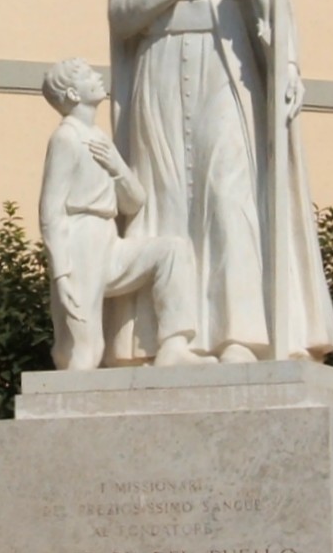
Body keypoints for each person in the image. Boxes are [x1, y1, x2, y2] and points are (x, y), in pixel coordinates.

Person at [105, 0, 333, 364]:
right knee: (164, 205)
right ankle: (171, 338)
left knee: (228, 193)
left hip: (225, 59)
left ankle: (240, 335)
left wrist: (287, 66)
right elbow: (120, 14)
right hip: (158, 69)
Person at [39, 57, 207, 371]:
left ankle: (174, 345)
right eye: (88, 75)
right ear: (74, 94)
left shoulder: (99, 138)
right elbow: (50, 212)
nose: (98, 77)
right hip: (80, 240)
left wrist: (117, 169)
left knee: (171, 251)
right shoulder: (66, 138)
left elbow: (134, 201)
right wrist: (61, 272)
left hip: (107, 237)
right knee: (84, 351)